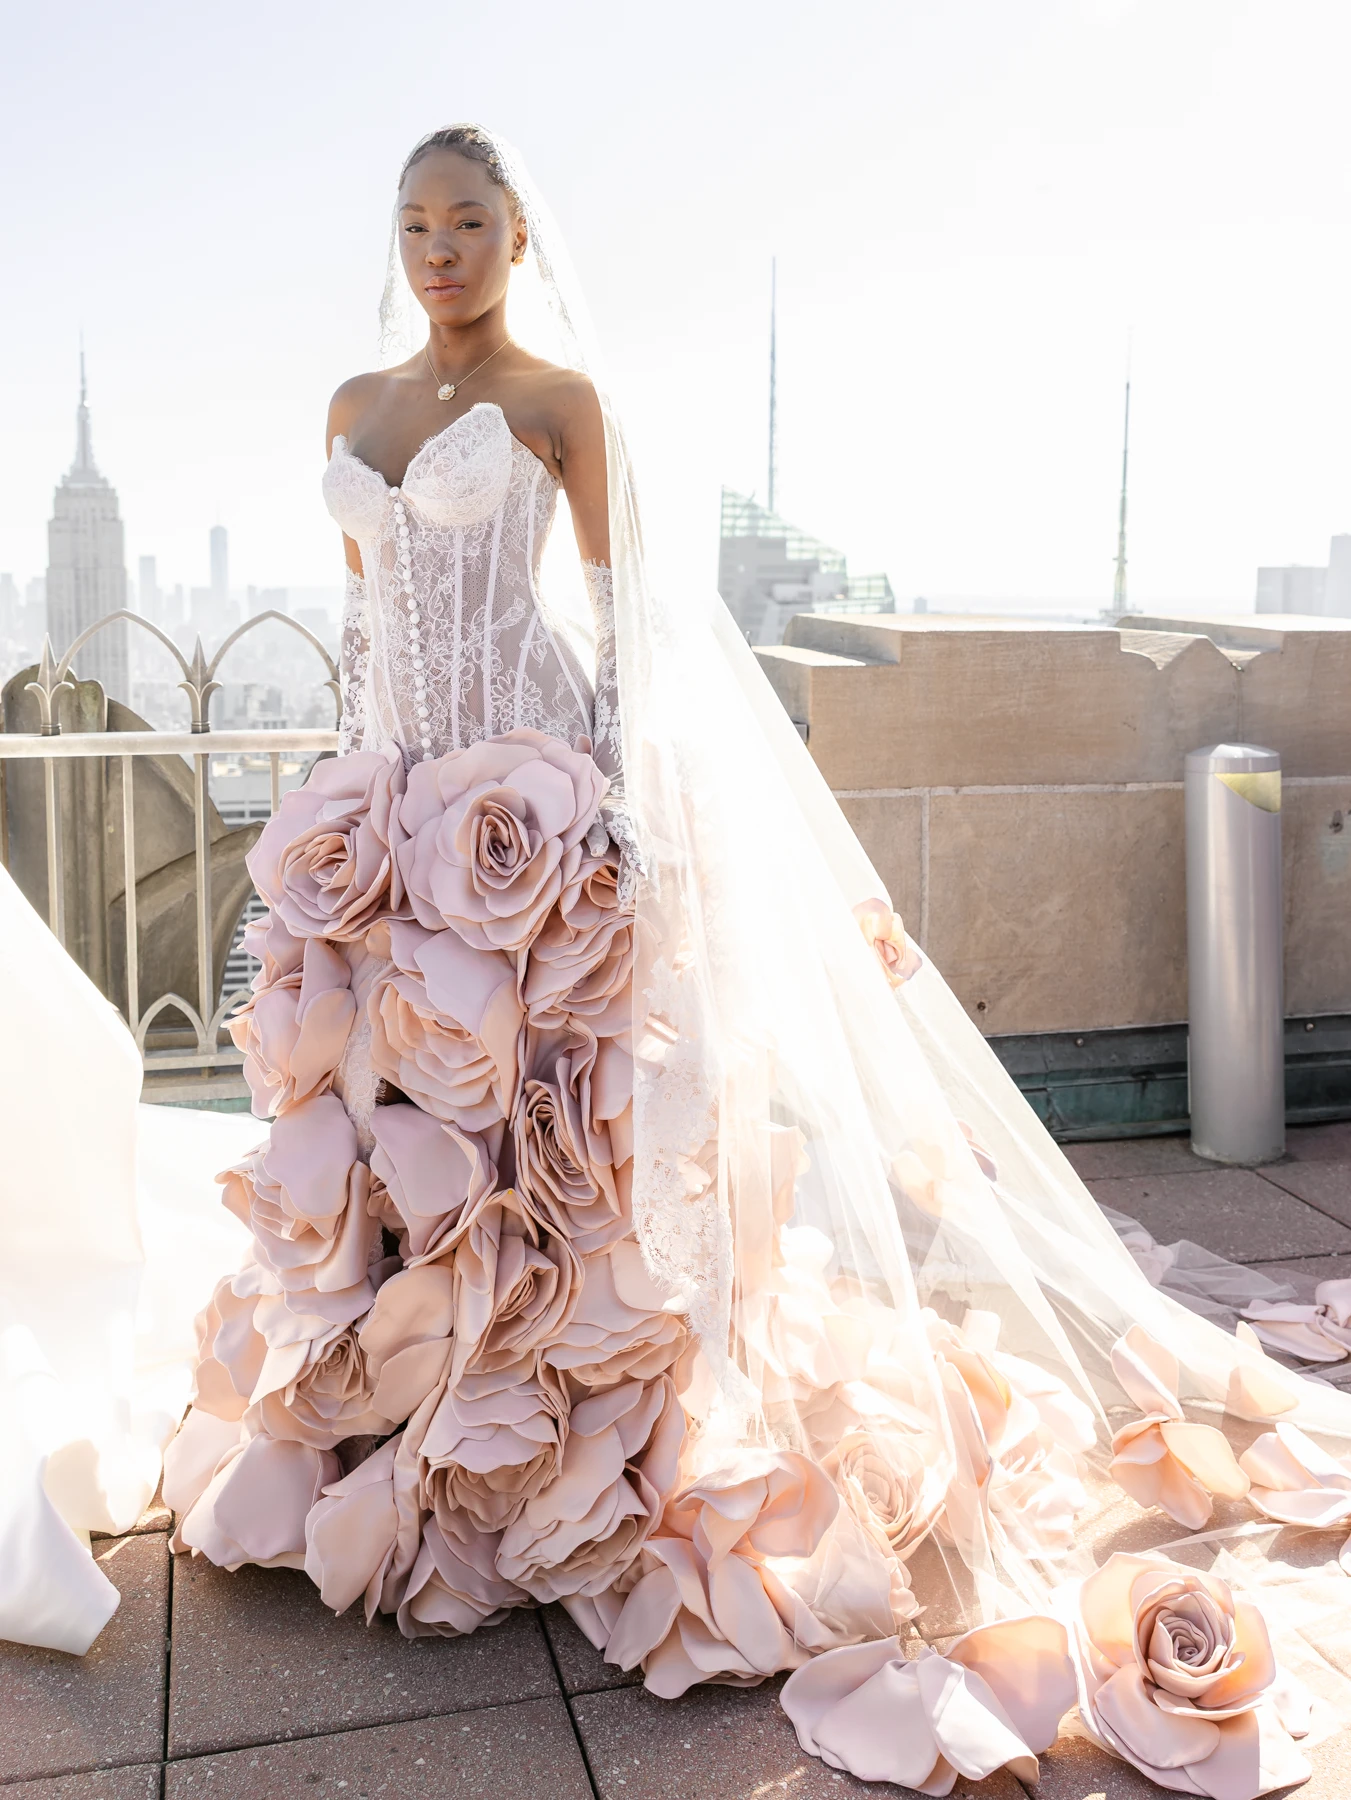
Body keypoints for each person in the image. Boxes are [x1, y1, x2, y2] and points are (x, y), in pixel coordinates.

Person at [16, 125, 1351, 1795]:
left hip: (535, 806)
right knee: (404, 1155)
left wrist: (619, 827)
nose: (439, 249)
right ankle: (409, 1445)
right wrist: (348, 830)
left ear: (516, 235)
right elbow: (369, 632)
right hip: (393, 821)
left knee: (552, 1163)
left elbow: (629, 621)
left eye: (469, 222)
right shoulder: (352, 413)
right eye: (415, 223)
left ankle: (552, 1473)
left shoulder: (563, 402)